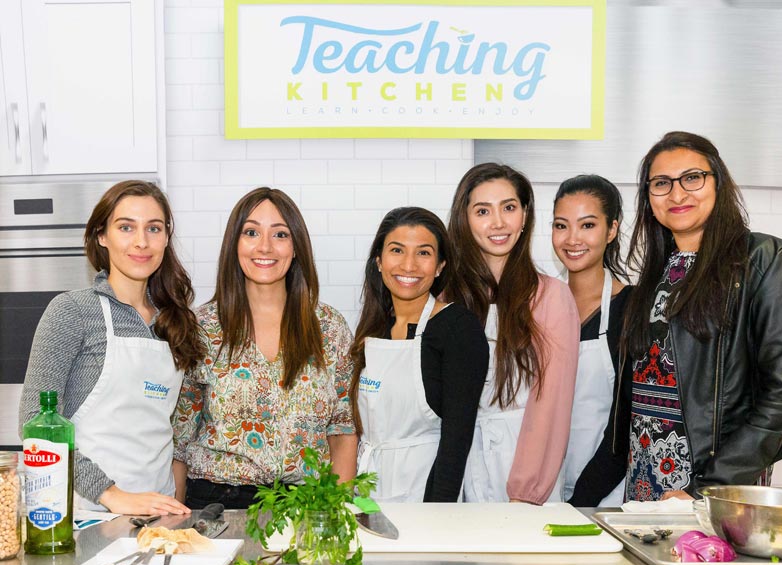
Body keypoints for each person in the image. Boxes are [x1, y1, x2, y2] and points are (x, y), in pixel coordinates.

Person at [622, 131, 782, 501]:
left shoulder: (766, 259)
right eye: (661, 183)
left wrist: (707, 487)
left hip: (714, 483)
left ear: (718, 182)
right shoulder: (657, 271)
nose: (677, 194)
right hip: (644, 476)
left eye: (692, 178)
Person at [19, 180, 203, 515]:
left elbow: (171, 428)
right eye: (126, 227)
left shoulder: (175, 322)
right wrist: (112, 494)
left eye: (154, 228)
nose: (141, 242)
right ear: (102, 236)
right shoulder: (72, 311)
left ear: (165, 238)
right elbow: (35, 422)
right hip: (87, 514)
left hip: (158, 513)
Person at [172, 187, 357, 509]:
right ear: (235, 244)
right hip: (218, 504)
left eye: (280, 234)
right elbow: (179, 439)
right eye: (251, 232)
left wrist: (334, 513)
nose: (265, 247)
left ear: (296, 246)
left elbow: (343, 430)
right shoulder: (200, 328)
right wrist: (174, 525)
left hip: (308, 503)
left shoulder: (329, 327)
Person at [447, 163, 580, 504]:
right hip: (464, 463)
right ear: (465, 220)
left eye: (509, 207)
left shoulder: (551, 296)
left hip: (527, 466)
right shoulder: (448, 299)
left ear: (524, 215)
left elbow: (551, 404)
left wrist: (525, 490)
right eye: (482, 211)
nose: (498, 222)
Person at [351, 207, 488, 502]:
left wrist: (435, 519)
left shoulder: (457, 329)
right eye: (397, 250)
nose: (409, 265)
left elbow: (456, 441)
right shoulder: (373, 329)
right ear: (379, 260)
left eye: (423, 253)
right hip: (367, 487)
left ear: (440, 266)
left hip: (422, 490)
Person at [551, 175, 632, 507]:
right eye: (561, 225)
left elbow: (626, 423)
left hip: (606, 492)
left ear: (611, 230)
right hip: (542, 487)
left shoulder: (633, 309)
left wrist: (582, 499)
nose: (572, 239)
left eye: (587, 225)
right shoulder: (538, 307)